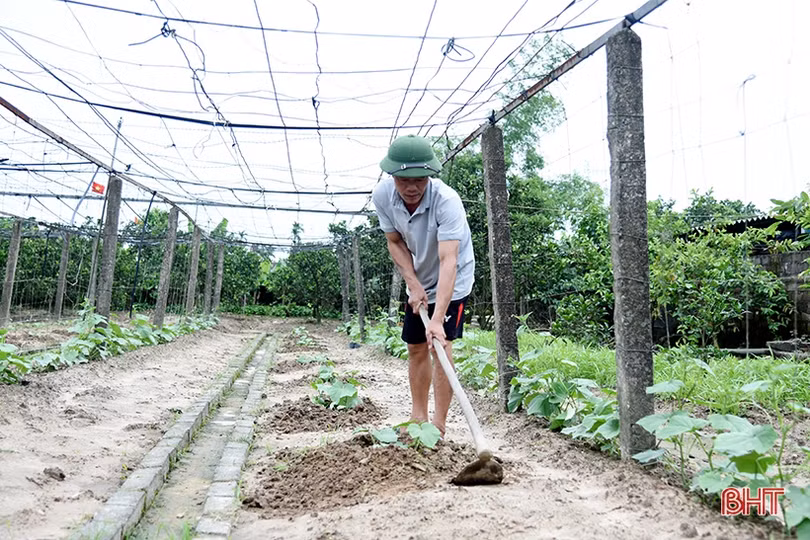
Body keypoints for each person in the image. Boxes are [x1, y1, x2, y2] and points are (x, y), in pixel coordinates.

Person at [372, 134, 475, 437]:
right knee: (416, 346)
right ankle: (419, 418)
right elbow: (395, 243)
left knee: (440, 347)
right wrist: (414, 285)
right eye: (404, 180)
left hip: (451, 281)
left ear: (430, 175)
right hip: (419, 277)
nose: (413, 187)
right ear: (392, 176)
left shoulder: (447, 202)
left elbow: (448, 261)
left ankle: (439, 426)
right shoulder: (382, 197)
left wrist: (439, 316)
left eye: (420, 179)